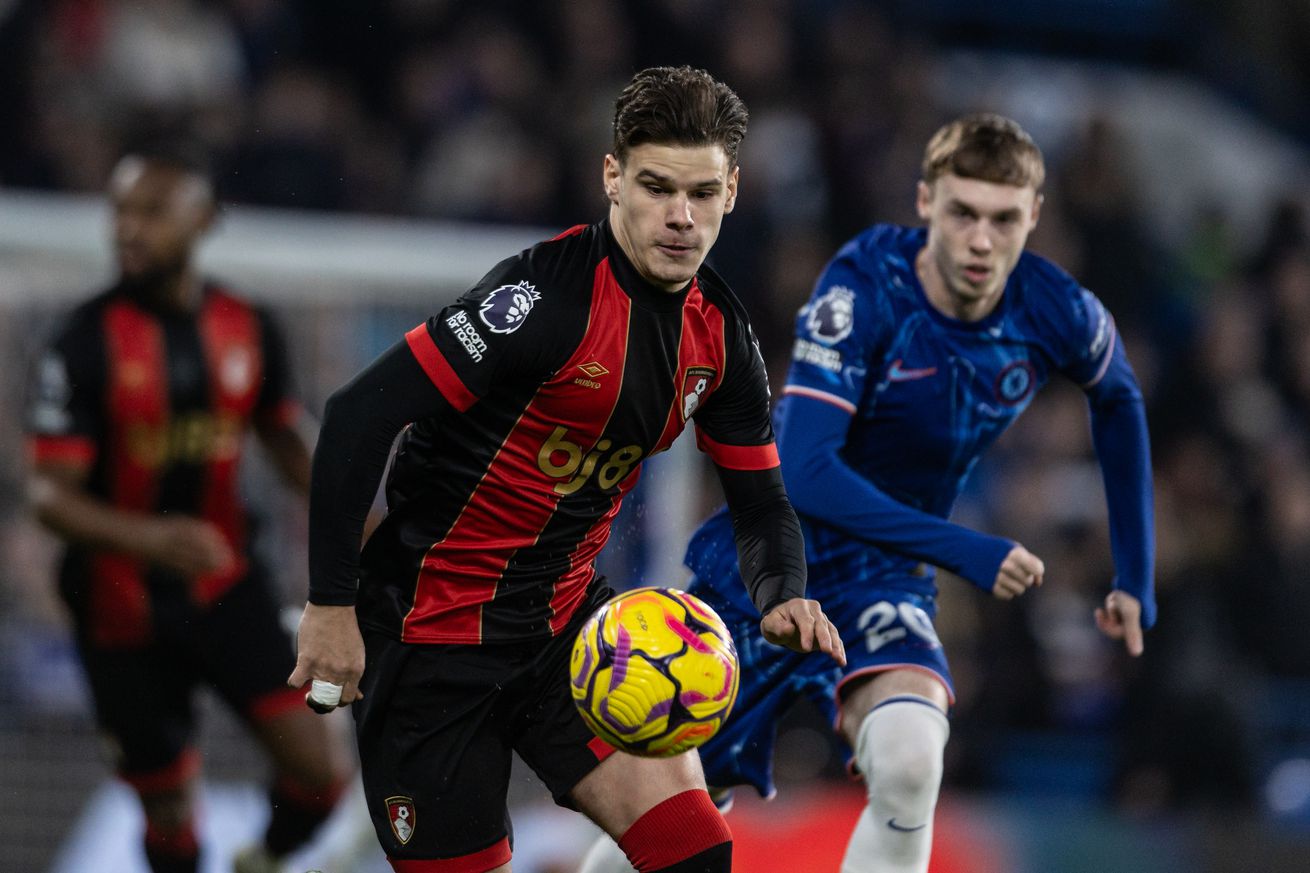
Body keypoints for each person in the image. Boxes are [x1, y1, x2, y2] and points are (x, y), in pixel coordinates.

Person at [287, 65, 845, 873]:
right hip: (429, 636)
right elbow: (356, 416)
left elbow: (760, 504)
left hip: (573, 640)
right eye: (656, 186)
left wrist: (782, 593)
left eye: (703, 192)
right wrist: (330, 604)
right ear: (612, 177)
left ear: (732, 191)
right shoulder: (540, 301)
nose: (681, 217)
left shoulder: (721, 334)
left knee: (695, 856)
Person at [580, 113, 1156, 873]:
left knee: (913, 762)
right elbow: (808, 471)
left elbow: (1119, 401)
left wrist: (1133, 576)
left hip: (884, 575)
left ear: (1034, 217)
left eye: (1004, 218)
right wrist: (970, 550)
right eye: (963, 213)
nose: (981, 239)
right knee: (664, 819)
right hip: (771, 563)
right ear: (926, 202)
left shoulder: (1059, 310)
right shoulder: (864, 286)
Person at [25, 141, 350, 873]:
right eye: (119, 211)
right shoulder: (82, 342)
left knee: (320, 773)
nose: (128, 229)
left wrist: (374, 529)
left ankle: (262, 859)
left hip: (226, 582)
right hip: (120, 605)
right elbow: (48, 494)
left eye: (150, 211)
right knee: (168, 806)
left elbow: (286, 439)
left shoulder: (246, 324)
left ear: (202, 218)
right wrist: (149, 538)